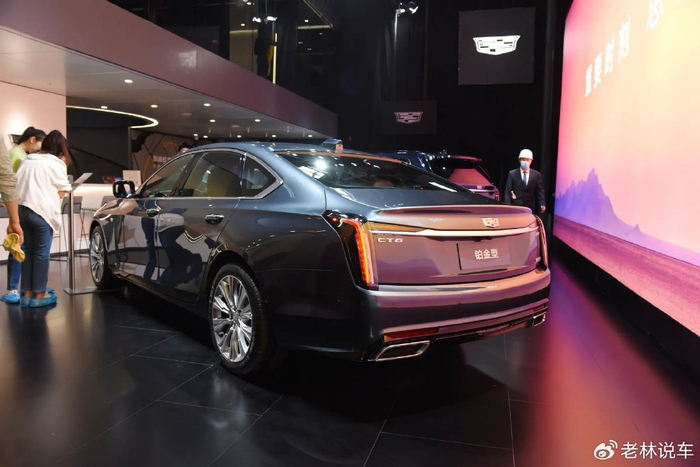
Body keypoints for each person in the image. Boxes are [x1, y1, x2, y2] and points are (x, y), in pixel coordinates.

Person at [16, 130, 71, 307]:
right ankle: (40, 294)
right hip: (42, 214)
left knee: (28, 252)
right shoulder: (56, 164)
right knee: (41, 254)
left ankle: (27, 293)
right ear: (61, 148)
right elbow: (62, 191)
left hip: (23, 210)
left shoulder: (27, 161)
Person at [2, 127, 46, 303]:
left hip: (23, 205)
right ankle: (13, 288)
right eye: (41, 142)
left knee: (22, 246)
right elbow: (9, 182)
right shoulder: (16, 154)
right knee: (18, 246)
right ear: (33, 139)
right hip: (19, 205)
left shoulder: (22, 155)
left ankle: (20, 288)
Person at [504, 148, 545, 214]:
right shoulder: (512, 174)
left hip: (530, 208)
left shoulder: (536, 175)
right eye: (523, 159)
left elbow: (539, 190)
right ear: (519, 160)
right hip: (516, 207)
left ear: (531, 160)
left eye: (527, 159)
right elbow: (508, 191)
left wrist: (542, 203)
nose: (525, 161)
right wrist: (507, 206)